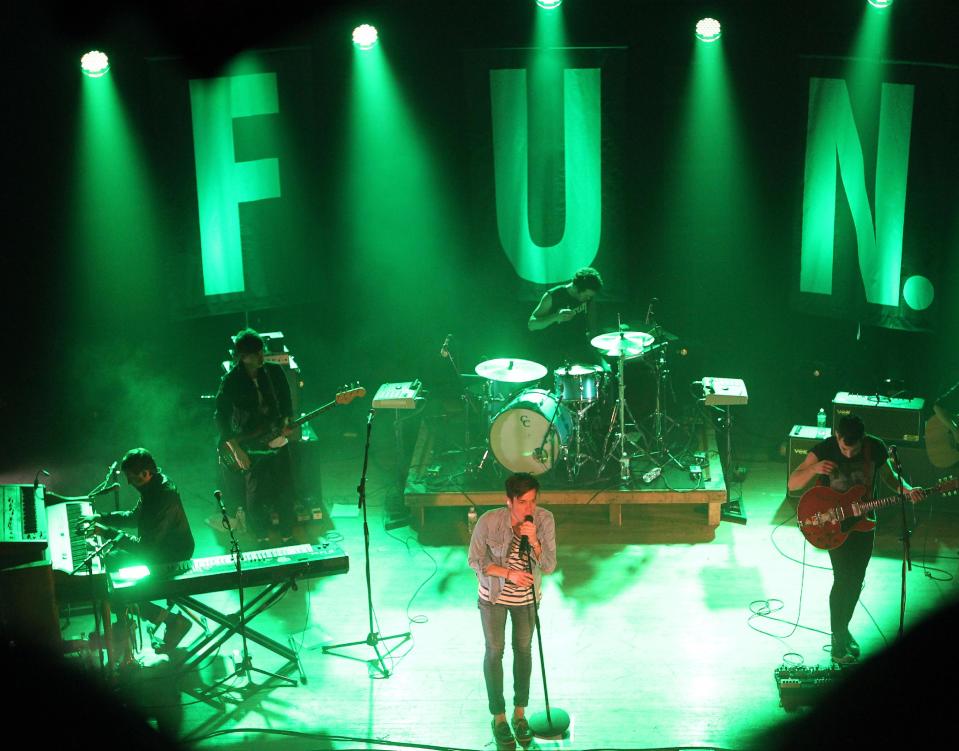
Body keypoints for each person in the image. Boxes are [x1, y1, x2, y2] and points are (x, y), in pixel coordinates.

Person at [787, 414, 924, 664]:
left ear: (863, 439)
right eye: (843, 448)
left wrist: (907, 489)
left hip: (863, 524)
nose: (848, 454)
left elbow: (891, 478)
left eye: (854, 449)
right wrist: (813, 468)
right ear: (837, 437)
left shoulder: (876, 448)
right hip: (832, 525)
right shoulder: (825, 448)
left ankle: (843, 628)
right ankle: (837, 637)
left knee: (856, 579)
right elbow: (793, 483)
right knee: (842, 578)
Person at [467, 473, 557, 749]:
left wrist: (536, 542)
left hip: (527, 600)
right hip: (493, 597)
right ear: (509, 501)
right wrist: (509, 574)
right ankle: (499, 716)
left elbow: (550, 565)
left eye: (533, 501)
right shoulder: (488, 522)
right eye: (523, 502)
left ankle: (520, 713)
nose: (529, 509)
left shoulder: (544, 520)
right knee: (495, 651)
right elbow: (475, 560)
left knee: (524, 650)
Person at [85, 448, 196, 653]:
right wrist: (102, 518)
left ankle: (167, 622)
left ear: (145, 474)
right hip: (159, 549)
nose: (128, 482)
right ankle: (129, 623)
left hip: (172, 556)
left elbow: (147, 548)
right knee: (113, 567)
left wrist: (108, 533)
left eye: (131, 477)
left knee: (119, 583)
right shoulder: (152, 486)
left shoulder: (164, 495)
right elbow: (134, 517)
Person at [214, 328, 297, 545]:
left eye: (262, 351)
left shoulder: (274, 371)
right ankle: (261, 536)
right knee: (256, 493)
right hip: (250, 444)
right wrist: (236, 449)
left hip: (277, 439)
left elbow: (287, 402)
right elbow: (220, 417)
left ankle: (288, 533)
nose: (261, 357)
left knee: (286, 487)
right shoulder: (231, 381)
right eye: (255, 354)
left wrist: (287, 421)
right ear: (242, 357)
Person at [527, 266, 603, 368]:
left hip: (580, 347)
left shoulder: (588, 297)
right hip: (555, 350)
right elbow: (531, 324)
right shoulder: (552, 296)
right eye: (587, 295)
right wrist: (556, 317)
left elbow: (591, 319)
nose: (589, 298)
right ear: (577, 288)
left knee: (604, 371)